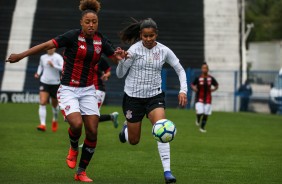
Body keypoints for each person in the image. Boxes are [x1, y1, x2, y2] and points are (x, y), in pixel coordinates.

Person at [6, 0, 125, 182]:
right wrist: (21, 55)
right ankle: (72, 148)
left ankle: (81, 172)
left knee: (92, 131)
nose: (91, 25)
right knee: (77, 125)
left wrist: (120, 57)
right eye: (88, 22)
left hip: (88, 90)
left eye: (94, 22)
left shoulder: (101, 40)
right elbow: (47, 45)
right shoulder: (72, 36)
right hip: (68, 89)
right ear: (81, 23)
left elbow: (115, 59)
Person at [116, 18, 187, 183]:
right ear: (140, 35)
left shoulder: (164, 51)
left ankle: (167, 172)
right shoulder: (133, 50)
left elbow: (180, 69)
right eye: (145, 36)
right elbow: (120, 74)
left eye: (151, 36)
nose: (148, 39)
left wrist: (182, 90)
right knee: (134, 141)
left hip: (154, 97)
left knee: (162, 129)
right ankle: (126, 130)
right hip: (133, 98)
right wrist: (121, 61)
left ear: (156, 34)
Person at [34, 48, 63, 132]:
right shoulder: (43, 57)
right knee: (42, 102)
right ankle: (43, 124)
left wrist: (54, 65)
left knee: (54, 105)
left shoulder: (58, 57)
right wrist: (38, 73)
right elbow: (40, 66)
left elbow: (63, 68)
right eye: (48, 48)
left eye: (52, 48)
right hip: (44, 82)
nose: (50, 49)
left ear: (54, 49)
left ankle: (55, 119)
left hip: (55, 83)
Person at [191, 62, 218, 133]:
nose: (204, 69)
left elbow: (216, 85)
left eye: (206, 68)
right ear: (201, 69)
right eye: (203, 68)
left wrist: (213, 89)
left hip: (208, 98)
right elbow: (192, 84)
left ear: (208, 69)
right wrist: (194, 88)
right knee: (200, 112)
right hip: (199, 97)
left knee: (206, 114)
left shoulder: (210, 78)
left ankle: (202, 128)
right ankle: (198, 118)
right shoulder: (198, 78)